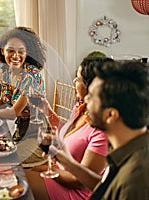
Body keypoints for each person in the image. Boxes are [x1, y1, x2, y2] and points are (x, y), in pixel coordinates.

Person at [49, 60, 149, 200]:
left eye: (93, 97)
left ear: (111, 115)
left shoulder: (134, 182)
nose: (86, 99)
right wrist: (63, 159)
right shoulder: (123, 149)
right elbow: (103, 186)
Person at [25, 56, 113, 200]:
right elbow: (67, 133)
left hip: (76, 192)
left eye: (78, 79)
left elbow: (80, 182)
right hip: (60, 173)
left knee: (15, 181)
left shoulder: (103, 129)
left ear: (92, 85)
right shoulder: (81, 107)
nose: (74, 82)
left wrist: (49, 169)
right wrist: (46, 110)